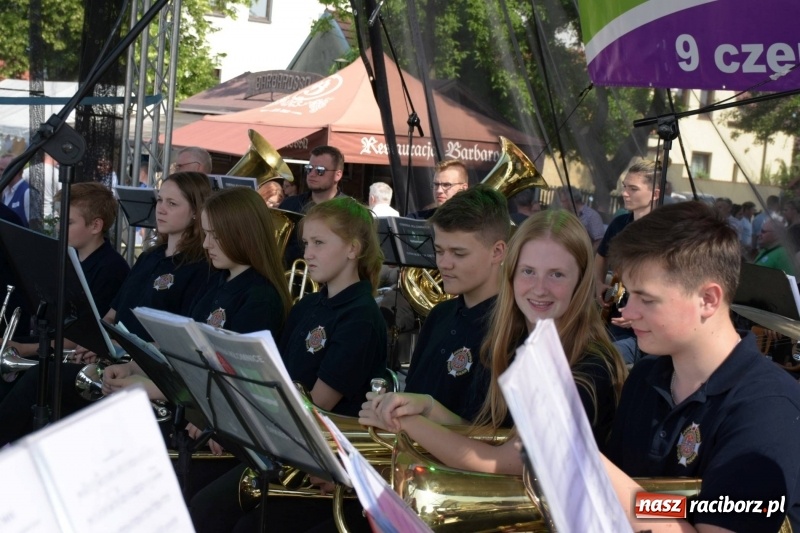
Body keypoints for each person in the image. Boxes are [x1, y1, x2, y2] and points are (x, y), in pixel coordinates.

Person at [360, 209, 626, 474]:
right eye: (528, 271)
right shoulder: (517, 343)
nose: (540, 288)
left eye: (556, 274)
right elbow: (487, 434)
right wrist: (429, 407)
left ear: (581, 281)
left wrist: (407, 422)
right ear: (511, 274)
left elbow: (506, 463)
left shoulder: (589, 366)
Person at [190, 196, 387, 533]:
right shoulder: (308, 305)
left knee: (229, 520)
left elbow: (317, 404)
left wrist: (242, 431)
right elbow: (271, 380)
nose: (307, 253)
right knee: (204, 506)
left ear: (353, 248)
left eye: (319, 243)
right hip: (282, 443)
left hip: (318, 459)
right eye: (306, 243)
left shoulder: (361, 317)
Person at [603, 201, 800, 532]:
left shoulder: (769, 407)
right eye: (629, 294)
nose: (628, 311)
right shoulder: (645, 377)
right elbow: (657, 502)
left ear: (708, 299)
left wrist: (587, 466)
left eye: (646, 299)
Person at [0, 172, 212, 446]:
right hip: (110, 358)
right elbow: (111, 315)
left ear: (195, 212)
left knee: (41, 379)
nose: (160, 208)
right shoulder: (149, 257)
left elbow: (177, 339)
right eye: (160, 200)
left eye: (172, 203)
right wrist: (97, 342)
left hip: (139, 370)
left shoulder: (198, 269)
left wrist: (114, 348)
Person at [102, 187, 292, 404]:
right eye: (205, 234)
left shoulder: (261, 298)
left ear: (243, 235)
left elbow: (236, 383)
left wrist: (155, 389)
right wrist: (132, 367)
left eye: (215, 236)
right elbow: (185, 347)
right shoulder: (216, 279)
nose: (205, 244)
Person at [403, 185, 509, 421]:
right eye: (439, 250)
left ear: (497, 252)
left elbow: (491, 438)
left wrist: (424, 409)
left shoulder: (513, 329)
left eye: (459, 254)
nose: (444, 264)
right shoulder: (440, 314)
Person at [8, 182, 130, 357]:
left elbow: (85, 337)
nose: (59, 227)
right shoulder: (69, 259)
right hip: (53, 343)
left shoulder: (111, 269)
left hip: (72, 354)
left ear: (95, 226)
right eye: (59, 219)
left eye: (69, 222)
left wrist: (22, 349)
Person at [594, 159, 660, 364]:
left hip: (645, 332)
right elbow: (602, 256)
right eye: (625, 187)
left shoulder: (664, 231)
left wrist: (639, 314)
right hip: (614, 310)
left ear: (655, 194)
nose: (625, 193)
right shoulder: (619, 223)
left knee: (599, 360)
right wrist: (598, 283)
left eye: (633, 189)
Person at [279, 145, 347, 264]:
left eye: (320, 170)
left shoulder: (349, 211)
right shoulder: (289, 204)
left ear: (338, 175)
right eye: (309, 168)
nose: (312, 174)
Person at [560, 186, 605, 252]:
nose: (561, 204)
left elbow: (599, 242)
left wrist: (588, 258)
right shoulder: (567, 215)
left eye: (563, 201)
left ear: (571, 200)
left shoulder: (592, 216)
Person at [0, 152, 30, 226]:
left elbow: (34, 227)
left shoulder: (27, 192)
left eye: (1, 169)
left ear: (15, 170)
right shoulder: (5, 191)